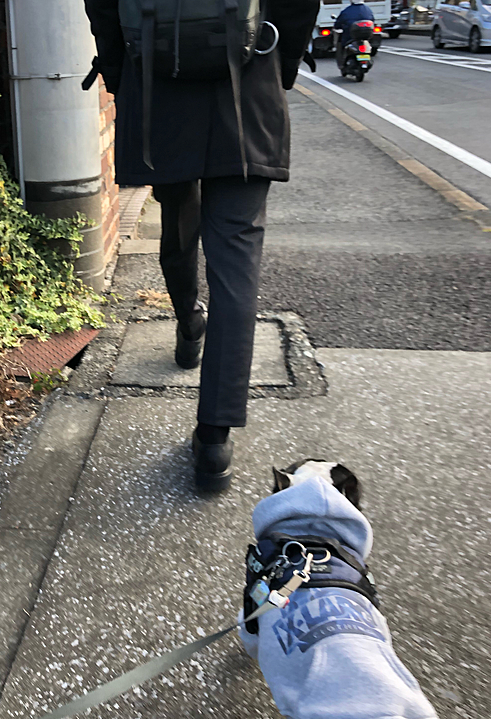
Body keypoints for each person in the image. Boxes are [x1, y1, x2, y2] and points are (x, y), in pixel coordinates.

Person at [83, 0, 320, 491]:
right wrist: (280, 67)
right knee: (236, 263)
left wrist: (124, 80)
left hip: (158, 92)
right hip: (249, 82)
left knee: (177, 216)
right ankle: (214, 438)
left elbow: (102, 6)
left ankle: (190, 324)